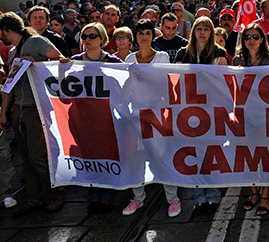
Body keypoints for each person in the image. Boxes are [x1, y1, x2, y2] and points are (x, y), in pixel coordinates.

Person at [0, 12, 67, 215]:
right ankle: (33, 197)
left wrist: (36, 64)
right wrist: (4, 113)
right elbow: (9, 86)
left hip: (36, 107)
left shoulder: (36, 41)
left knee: (38, 155)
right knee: (26, 157)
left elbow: (62, 62)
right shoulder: (13, 52)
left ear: (6, 30)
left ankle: (55, 193)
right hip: (19, 108)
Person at [121, 19, 180, 217]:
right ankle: (138, 198)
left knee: (161, 156)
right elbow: (125, 88)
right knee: (135, 157)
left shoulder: (162, 57)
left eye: (147, 33)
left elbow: (166, 84)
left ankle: (173, 199)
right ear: (135, 37)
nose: (144, 37)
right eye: (140, 33)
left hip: (157, 115)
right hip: (135, 116)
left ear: (153, 36)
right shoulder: (129, 59)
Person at [174, 17, 228, 214]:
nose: (202, 32)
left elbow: (224, 83)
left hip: (213, 110)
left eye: (206, 29)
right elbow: (176, 82)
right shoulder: (182, 53)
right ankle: (199, 196)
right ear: (193, 31)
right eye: (199, 29)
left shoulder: (219, 53)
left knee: (212, 151)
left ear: (211, 32)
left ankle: (213, 193)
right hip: (189, 111)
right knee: (194, 153)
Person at [71, 23, 123, 213]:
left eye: (92, 36)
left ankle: (108, 194)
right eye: (84, 36)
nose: (88, 40)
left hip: (107, 119)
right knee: (89, 155)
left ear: (102, 38)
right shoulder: (74, 61)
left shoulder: (114, 62)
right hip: (84, 119)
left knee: (108, 154)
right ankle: (94, 193)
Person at [234, 23, 269, 217]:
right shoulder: (237, 60)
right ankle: (253, 192)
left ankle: (264, 194)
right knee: (248, 156)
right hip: (244, 115)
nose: (251, 41)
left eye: (255, 37)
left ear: (262, 39)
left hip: (266, 114)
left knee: (265, 156)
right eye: (247, 37)